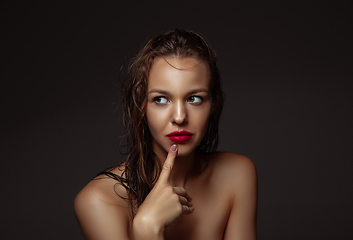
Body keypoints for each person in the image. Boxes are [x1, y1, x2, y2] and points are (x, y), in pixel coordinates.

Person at [74, 29, 257, 240]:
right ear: (142, 106)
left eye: (194, 98)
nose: (179, 117)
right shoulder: (99, 200)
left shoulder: (236, 175)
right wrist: (147, 229)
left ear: (213, 104)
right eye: (161, 99)